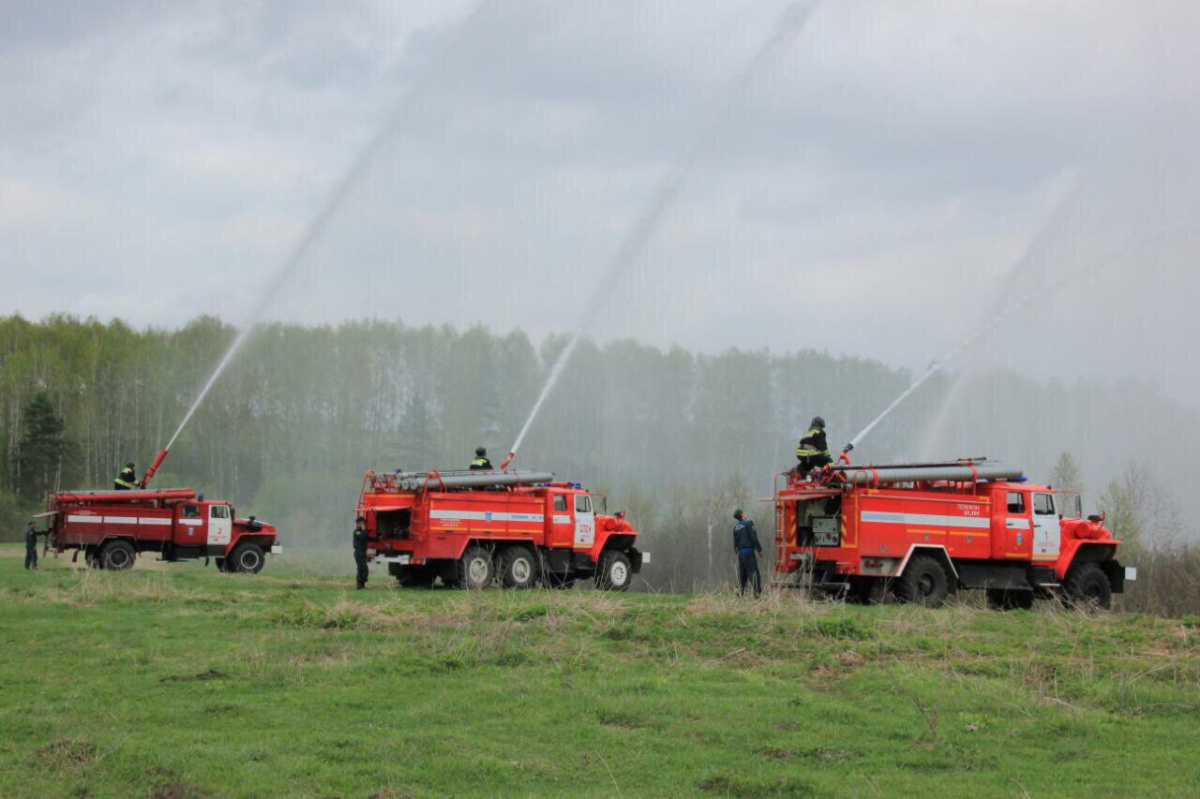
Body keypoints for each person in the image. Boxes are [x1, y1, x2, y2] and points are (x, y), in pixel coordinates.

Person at [732, 509, 763, 598]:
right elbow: (754, 538)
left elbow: (735, 543)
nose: (746, 514)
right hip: (749, 553)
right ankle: (757, 595)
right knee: (754, 573)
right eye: (744, 512)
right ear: (742, 515)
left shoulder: (736, 527)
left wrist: (738, 554)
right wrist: (759, 549)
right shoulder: (749, 523)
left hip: (741, 554)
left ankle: (738, 594)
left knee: (743, 575)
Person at [352, 516, 369, 590]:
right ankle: (360, 584)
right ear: (359, 524)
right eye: (362, 523)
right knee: (363, 568)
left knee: (361, 569)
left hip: (362, 553)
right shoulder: (357, 532)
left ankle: (361, 585)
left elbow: (367, 538)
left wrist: (378, 538)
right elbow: (363, 536)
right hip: (358, 553)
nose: (364, 524)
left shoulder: (362, 531)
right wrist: (364, 528)